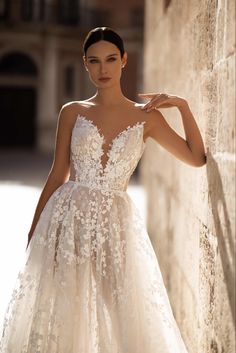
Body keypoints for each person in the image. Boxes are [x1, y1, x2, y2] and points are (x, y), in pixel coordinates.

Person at [0, 27, 206, 353]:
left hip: (116, 223)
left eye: (111, 59)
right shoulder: (72, 111)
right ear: (84, 64)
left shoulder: (146, 118)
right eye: (94, 61)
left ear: (124, 60)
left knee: (121, 308)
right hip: (68, 219)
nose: (103, 69)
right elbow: (57, 175)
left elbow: (196, 158)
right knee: (67, 311)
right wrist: (35, 229)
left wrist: (183, 106)